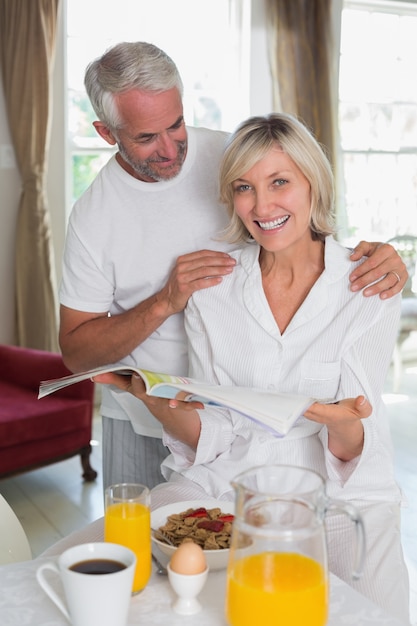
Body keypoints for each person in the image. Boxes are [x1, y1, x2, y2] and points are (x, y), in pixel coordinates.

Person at [95, 113, 410, 623]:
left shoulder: (368, 284)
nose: (262, 207)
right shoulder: (213, 284)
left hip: (334, 487)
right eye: (245, 187)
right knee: (155, 559)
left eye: (279, 182)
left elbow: (355, 445)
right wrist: (150, 397)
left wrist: (343, 422)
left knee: (373, 607)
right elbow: (214, 429)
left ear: (314, 183)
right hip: (230, 473)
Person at [59, 41, 408, 492]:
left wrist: (381, 257)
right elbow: (75, 352)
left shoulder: (230, 157)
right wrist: (164, 302)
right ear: (107, 133)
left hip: (246, 415)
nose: (169, 149)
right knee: (141, 550)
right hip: (144, 415)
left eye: (176, 124)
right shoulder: (93, 218)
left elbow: (297, 219)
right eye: (146, 138)